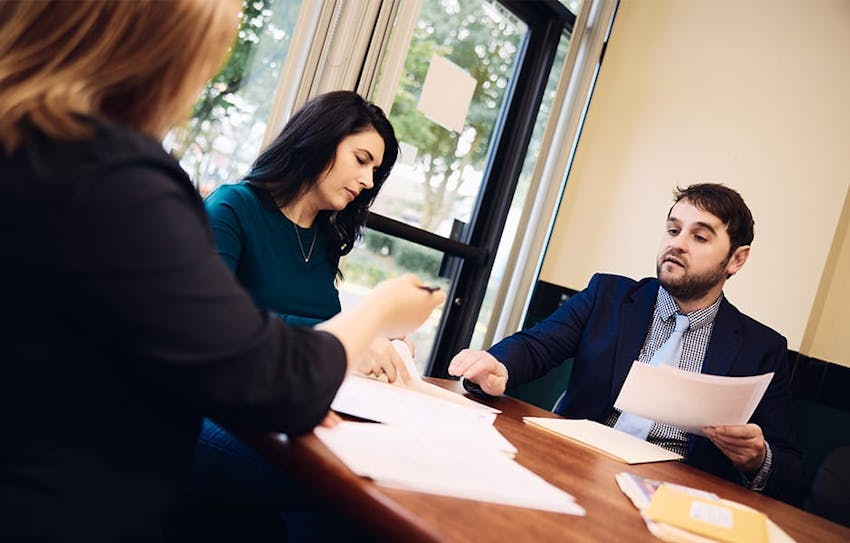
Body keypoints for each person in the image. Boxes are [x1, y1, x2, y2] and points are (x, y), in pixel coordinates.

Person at [0, 2, 445, 542]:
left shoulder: (43, 159)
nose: (193, 89)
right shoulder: (125, 182)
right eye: (202, 61)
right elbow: (254, 364)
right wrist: (379, 313)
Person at [449, 183, 802, 504]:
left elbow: (788, 469)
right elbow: (536, 346)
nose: (677, 244)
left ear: (737, 259)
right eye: (673, 230)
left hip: (672, 498)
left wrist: (758, 458)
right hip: (576, 465)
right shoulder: (607, 295)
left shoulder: (761, 349)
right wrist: (499, 364)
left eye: (699, 237)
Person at [192, 91, 411, 538]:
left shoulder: (326, 240)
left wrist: (378, 344)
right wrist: (352, 337)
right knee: (357, 498)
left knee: (386, 481)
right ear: (319, 140)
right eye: (362, 160)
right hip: (216, 414)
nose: (368, 180)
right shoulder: (233, 207)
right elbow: (210, 329)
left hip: (292, 408)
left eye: (375, 171)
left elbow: (312, 327)